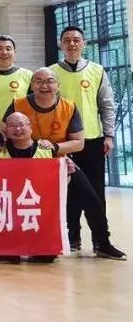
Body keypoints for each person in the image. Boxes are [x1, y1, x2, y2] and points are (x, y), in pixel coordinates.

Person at [0, 112, 125, 260]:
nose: (18, 129)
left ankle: (103, 244)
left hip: (40, 206)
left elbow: (62, 183)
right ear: (6, 130)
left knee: (92, 200)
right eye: (12, 126)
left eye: (21, 125)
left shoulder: (46, 149)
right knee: (9, 254)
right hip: (14, 206)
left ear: (31, 128)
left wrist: (67, 171)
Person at [50, 25, 117, 240]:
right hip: (63, 142)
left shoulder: (97, 70)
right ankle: (72, 236)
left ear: (84, 44)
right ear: (60, 45)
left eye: (76, 40)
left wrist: (109, 135)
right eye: (67, 40)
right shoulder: (50, 73)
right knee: (67, 190)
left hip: (92, 139)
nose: (71, 44)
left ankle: (100, 238)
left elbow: (107, 105)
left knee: (95, 191)